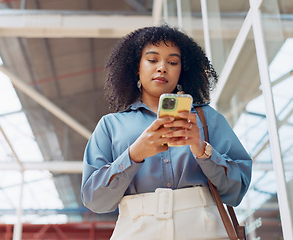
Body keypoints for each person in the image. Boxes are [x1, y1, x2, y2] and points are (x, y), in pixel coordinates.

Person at [81, 25, 252, 240]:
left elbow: (236, 191)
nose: (162, 68)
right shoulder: (110, 125)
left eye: (172, 62)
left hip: (203, 229)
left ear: (182, 71)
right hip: (136, 231)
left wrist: (203, 152)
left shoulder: (208, 119)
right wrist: (134, 154)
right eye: (153, 60)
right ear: (137, 67)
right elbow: (94, 200)